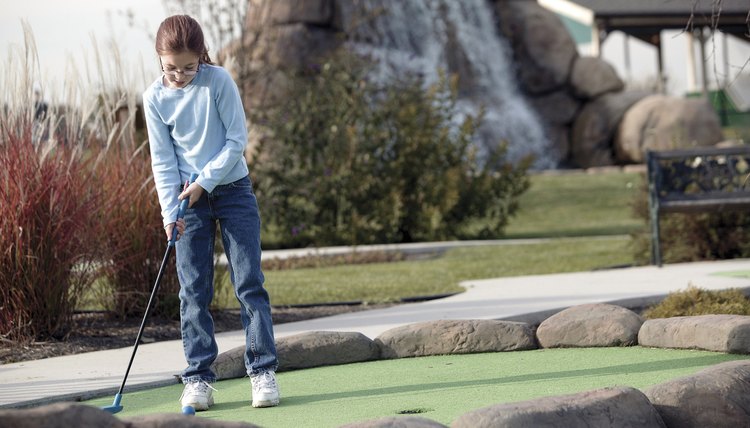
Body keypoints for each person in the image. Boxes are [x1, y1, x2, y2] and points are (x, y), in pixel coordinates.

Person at [142, 14, 280, 410]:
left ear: (201, 56)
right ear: (159, 59)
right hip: (187, 200)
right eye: (171, 68)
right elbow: (162, 161)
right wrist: (171, 213)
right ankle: (198, 378)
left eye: (189, 67)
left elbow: (237, 141)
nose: (181, 75)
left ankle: (262, 371)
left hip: (232, 188)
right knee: (193, 291)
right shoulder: (154, 98)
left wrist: (204, 183)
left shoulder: (218, 81)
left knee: (249, 282)